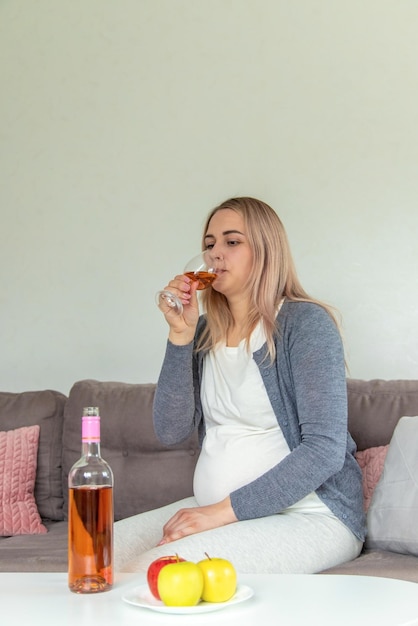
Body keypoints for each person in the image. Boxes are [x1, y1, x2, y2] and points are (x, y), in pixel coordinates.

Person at [114, 196, 365, 574]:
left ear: (266, 252)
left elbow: (325, 450)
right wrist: (179, 337)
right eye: (210, 243)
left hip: (310, 514)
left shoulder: (304, 324)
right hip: (219, 513)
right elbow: (170, 429)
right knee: (96, 551)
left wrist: (219, 513)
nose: (216, 254)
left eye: (232, 242)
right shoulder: (202, 332)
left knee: (157, 572)